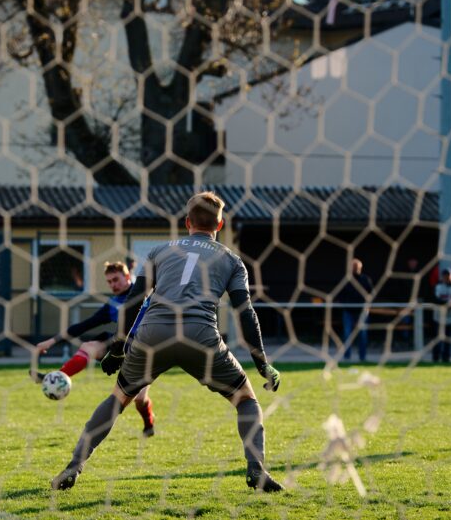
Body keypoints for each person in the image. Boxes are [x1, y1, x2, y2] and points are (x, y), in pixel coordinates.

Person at [51, 192, 283, 492]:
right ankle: (256, 469)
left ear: (187, 222)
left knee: (117, 399)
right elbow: (245, 313)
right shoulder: (231, 260)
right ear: (220, 224)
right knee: (246, 400)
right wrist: (263, 364)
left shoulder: (160, 251)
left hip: (152, 335)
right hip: (201, 336)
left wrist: (118, 348)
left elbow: (134, 301)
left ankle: (74, 466)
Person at [32, 261, 156, 436]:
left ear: (128, 277)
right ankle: (59, 376)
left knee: (140, 400)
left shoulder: (146, 293)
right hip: (120, 346)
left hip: (144, 351)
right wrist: (51, 341)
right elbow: (85, 325)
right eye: (109, 282)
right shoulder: (113, 304)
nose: (113, 285)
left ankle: (149, 423)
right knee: (89, 346)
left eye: (116, 280)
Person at [337, 258, 373, 362]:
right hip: (348, 311)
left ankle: (363, 357)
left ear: (360, 268)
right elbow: (340, 295)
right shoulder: (347, 280)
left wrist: (367, 306)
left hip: (362, 312)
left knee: (362, 334)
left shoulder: (365, 280)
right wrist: (344, 305)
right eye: (353, 267)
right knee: (347, 334)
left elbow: (371, 294)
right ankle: (347, 357)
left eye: (357, 267)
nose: (355, 269)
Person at [432, 268, 451, 363]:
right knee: (438, 337)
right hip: (439, 316)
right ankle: (436, 357)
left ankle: (446, 358)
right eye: (444, 276)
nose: (446, 278)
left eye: (448, 276)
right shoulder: (438, 286)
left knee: (448, 338)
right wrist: (447, 304)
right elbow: (435, 299)